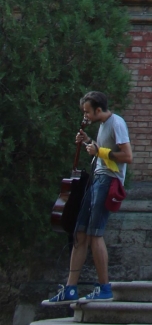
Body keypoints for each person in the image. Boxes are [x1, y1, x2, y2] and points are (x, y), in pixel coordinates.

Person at [44, 91, 133, 305]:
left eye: (87, 112)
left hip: (108, 181)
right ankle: (70, 288)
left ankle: (105, 288)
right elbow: (102, 151)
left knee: (95, 234)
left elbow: (127, 156)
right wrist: (88, 142)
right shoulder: (103, 125)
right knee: (80, 233)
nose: (85, 116)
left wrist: (99, 151)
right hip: (97, 180)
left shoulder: (116, 123)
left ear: (98, 109)